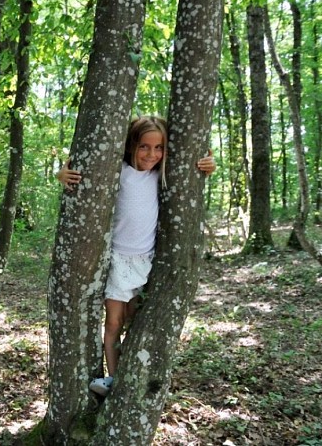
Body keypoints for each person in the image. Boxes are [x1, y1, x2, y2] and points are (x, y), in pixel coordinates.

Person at [57, 116, 215, 396]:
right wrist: (62, 174)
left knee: (135, 320)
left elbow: (198, 169)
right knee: (114, 321)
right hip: (118, 260)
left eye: (158, 148)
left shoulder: (162, 174)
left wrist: (208, 165)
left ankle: (133, 373)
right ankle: (113, 378)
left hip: (147, 260)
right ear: (131, 145)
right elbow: (78, 171)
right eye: (144, 146)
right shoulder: (117, 171)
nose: (151, 154)